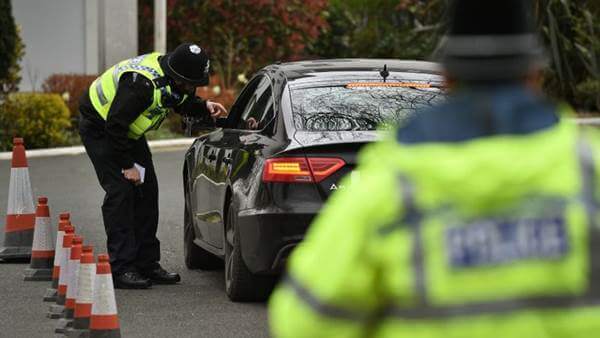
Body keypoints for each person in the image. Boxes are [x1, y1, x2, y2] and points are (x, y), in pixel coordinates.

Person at [268, 0, 600, 337]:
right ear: (535, 74)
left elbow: (304, 322)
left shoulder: (388, 188)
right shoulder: (591, 174)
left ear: (449, 77)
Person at [79, 43, 227, 289]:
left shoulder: (170, 74)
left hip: (128, 134)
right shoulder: (140, 85)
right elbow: (115, 125)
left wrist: (202, 106)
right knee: (121, 192)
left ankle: (147, 263)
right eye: (192, 84)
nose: (194, 88)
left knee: (148, 191)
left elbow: (175, 97)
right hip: (101, 128)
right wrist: (127, 166)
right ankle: (122, 268)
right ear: (179, 77)